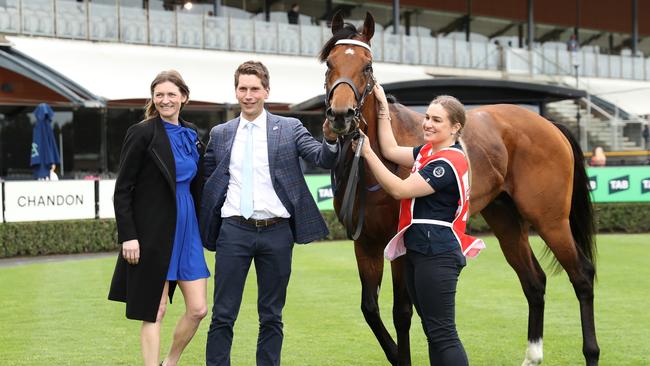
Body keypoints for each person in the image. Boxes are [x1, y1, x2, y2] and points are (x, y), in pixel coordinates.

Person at [200, 60, 338, 366]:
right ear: (236, 91)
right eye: (242, 88)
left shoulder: (290, 128)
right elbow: (207, 178)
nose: (248, 95)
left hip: (277, 233)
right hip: (233, 230)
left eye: (254, 88)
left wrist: (330, 137)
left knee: (272, 316)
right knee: (223, 314)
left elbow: (322, 158)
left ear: (266, 91)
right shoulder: (221, 133)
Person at [353, 85, 484, 366]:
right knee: (433, 331)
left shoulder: (447, 162)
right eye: (427, 117)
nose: (427, 123)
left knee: (443, 333)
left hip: (436, 251)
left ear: (455, 127)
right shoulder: (428, 153)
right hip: (420, 248)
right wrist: (383, 108)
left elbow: (400, 189)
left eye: (437, 120)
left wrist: (367, 154)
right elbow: (389, 148)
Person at [108, 70, 210, 366]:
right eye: (159, 95)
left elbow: (198, 184)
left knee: (199, 309)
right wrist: (128, 235)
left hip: (187, 227)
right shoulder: (142, 132)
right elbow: (123, 189)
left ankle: (171, 361)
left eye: (171, 94)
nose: (165, 100)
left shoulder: (192, 134)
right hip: (153, 231)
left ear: (184, 98)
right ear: (153, 98)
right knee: (156, 309)